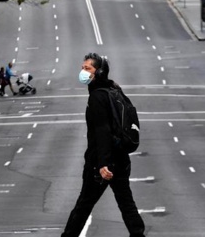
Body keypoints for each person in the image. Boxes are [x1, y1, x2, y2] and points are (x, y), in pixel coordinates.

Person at [61, 53, 145, 237]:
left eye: (87, 68)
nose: (83, 72)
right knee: (126, 204)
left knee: (83, 205)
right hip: (121, 159)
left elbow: (102, 131)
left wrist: (102, 164)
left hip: (102, 163)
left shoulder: (98, 97)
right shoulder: (114, 90)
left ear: (98, 72)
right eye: (83, 68)